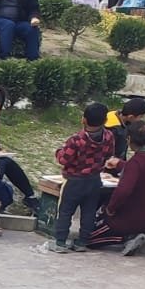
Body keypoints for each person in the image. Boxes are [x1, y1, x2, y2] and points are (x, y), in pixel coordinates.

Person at [86, 120, 145, 255]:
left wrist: (110, 209)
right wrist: (120, 164)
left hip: (130, 217)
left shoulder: (137, 161)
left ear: (129, 139)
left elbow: (123, 191)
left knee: (87, 238)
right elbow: (144, 171)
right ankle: (136, 233)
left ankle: (125, 238)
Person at [49, 102, 114, 254]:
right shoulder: (109, 136)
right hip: (94, 179)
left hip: (74, 180)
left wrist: (59, 151)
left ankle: (60, 241)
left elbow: (64, 159)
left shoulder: (76, 139)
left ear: (83, 119)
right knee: (89, 212)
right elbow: (109, 154)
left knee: (65, 211)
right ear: (105, 121)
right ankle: (82, 241)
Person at [105, 96, 145, 168]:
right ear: (131, 117)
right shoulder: (114, 129)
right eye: (141, 117)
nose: (142, 119)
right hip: (110, 165)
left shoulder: (121, 118)